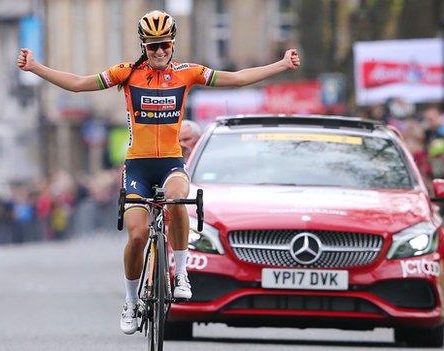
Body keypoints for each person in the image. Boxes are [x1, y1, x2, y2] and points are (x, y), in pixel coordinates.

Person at [16, 10, 300, 335]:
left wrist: (281, 65)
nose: (160, 52)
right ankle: (130, 300)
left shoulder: (187, 73)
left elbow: (235, 78)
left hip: (170, 162)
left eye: (164, 45)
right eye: (152, 47)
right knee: (137, 236)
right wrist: (35, 67)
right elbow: (80, 84)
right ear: (143, 46)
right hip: (137, 166)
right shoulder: (127, 73)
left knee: (179, 199)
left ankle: (181, 274)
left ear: (173, 43)